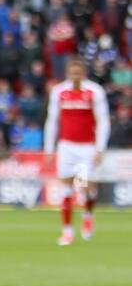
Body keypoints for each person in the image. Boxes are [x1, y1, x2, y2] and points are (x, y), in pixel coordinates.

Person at [44, 58, 109, 245]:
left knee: (85, 187)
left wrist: (100, 148)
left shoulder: (94, 91)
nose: (75, 76)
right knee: (66, 187)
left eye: (78, 73)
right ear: (67, 73)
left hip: (86, 147)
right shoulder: (59, 92)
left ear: (83, 73)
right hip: (67, 146)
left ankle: (88, 215)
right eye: (72, 73)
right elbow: (52, 120)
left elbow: (103, 120)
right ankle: (67, 232)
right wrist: (49, 149)